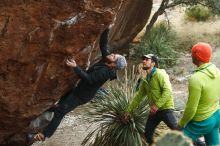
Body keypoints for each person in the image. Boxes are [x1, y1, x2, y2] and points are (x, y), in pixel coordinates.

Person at [28, 28, 127, 143]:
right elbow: (103, 44)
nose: (112, 54)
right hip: (79, 90)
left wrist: (75, 67)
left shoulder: (104, 72)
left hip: (81, 96)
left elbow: (89, 79)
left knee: (61, 112)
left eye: (114, 56)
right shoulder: (107, 60)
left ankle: (42, 136)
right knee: (60, 106)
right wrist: (108, 28)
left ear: (113, 64)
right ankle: (42, 118)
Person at [126, 54, 177, 145]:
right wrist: (128, 111)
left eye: (147, 59)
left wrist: (157, 105)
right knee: (148, 134)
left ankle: (200, 144)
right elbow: (138, 97)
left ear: (153, 63)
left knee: (178, 132)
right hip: (154, 112)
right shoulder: (146, 79)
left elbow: (168, 91)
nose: (144, 61)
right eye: (143, 59)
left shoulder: (159, 74)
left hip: (166, 109)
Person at [177, 43, 220, 146]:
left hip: (201, 121)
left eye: (192, 53)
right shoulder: (217, 71)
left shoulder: (196, 78)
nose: (191, 55)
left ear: (197, 56)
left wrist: (181, 124)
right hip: (216, 115)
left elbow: (191, 109)